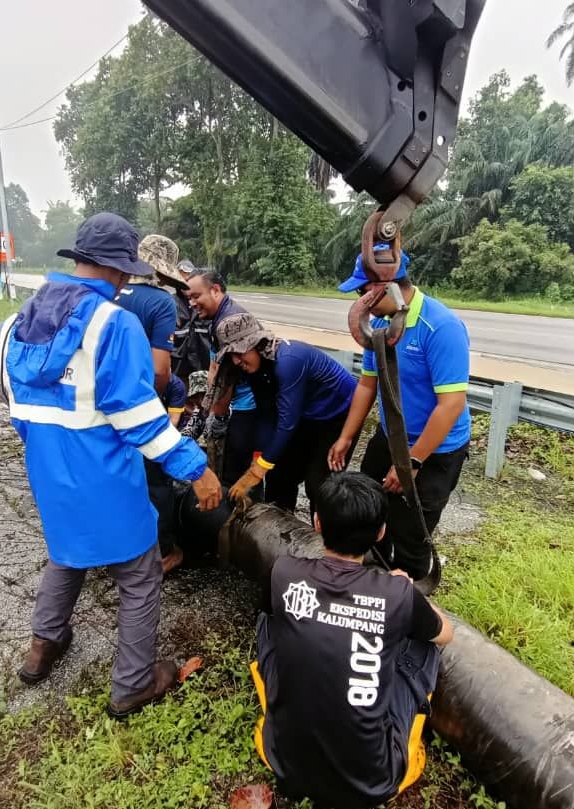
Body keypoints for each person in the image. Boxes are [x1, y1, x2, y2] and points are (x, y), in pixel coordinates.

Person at [1, 212, 221, 717]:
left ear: (79, 258)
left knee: (67, 552)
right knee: (140, 575)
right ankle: (133, 684)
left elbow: (17, 409)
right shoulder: (114, 324)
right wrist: (197, 468)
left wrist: (52, 456)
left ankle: (43, 647)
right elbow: (139, 419)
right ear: (122, 270)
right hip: (105, 477)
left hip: (48, 472)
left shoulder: (18, 320)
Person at [252, 472, 453, 808]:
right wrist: (407, 591)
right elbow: (446, 633)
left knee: (267, 621)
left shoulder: (284, 571)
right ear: (381, 532)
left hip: (283, 760)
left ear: (317, 523)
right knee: (425, 646)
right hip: (374, 782)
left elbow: (270, 615)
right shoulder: (396, 593)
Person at [327, 248, 471, 586]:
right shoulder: (379, 326)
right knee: (370, 509)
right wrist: (346, 437)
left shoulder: (440, 327)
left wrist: (412, 462)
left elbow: (450, 404)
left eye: (363, 293)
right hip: (391, 437)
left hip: (434, 449)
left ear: (386, 286)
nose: (361, 303)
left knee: (411, 528)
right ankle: (376, 576)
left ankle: (410, 587)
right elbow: (367, 384)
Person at [214, 313, 356, 517]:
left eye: (239, 352)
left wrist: (256, 472)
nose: (236, 361)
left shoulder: (289, 361)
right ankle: (279, 526)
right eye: (231, 356)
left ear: (257, 344)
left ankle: (324, 532)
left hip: (338, 414)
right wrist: (258, 459)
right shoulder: (255, 369)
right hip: (305, 413)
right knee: (278, 476)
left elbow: (287, 423)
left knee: (319, 484)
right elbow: (266, 415)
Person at [115, 234, 190, 573]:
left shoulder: (110, 293)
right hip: (139, 402)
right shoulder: (160, 302)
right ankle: (163, 552)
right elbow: (160, 370)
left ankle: (118, 545)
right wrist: (151, 403)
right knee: (157, 480)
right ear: (161, 271)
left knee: (117, 473)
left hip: (100, 404)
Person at [185, 269, 257, 487]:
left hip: (245, 406)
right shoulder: (216, 319)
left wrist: (218, 417)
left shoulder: (229, 322)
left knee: (234, 472)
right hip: (234, 403)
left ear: (215, 290)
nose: (192, 303)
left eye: (196, 296)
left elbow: (226, 379)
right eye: (189, 298)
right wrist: (206, 408)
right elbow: (214, 366)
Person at [172, 259, 211, 381]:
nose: (184, 283)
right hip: (178, 371)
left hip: (204, 370)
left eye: (188, 279)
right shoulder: (170, 303)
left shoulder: (205, 304)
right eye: (181, 279)